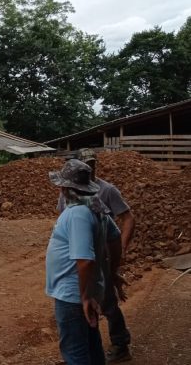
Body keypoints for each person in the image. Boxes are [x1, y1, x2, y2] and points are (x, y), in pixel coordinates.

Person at [58, 149, 134, 363]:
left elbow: (127, 220)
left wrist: (120, 253)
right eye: (85, 164)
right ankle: (84, 351)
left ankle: (119, 343)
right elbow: (64, 218)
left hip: (98, 257)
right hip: (80, 258)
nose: (89, 168)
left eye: (92, 164)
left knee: (106, 301)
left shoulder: (107, 190)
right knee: (89, 307)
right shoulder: (68, 193)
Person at [46, 159, 123, 365]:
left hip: (73, 295)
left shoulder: (77, 213)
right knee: (90, 346)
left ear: (66, 187)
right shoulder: (96, 210)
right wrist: (111, 271)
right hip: (82, 291)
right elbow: (115, 239)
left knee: (75, 352)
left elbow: (85, 260)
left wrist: (85, 296)